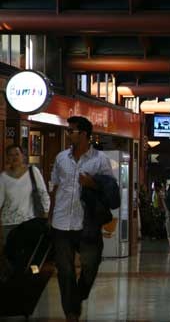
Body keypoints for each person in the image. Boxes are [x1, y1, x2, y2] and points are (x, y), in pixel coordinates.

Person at [48, 116, 114, 322]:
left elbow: (111, 190)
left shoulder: (100, 160)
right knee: (65, 270)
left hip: (88, 222)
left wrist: (92, 184)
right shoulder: (61, 158)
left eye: (72, 131)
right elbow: (55, 186)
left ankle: (78, 296)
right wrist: (49, 215)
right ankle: (71, 313)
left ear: (84, 134)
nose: (68, 134)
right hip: (61, 222)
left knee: (90, 266)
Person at [0, 144, 50, 244]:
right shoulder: (3, 177)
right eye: (10, 155)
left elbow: (43, 194)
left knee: (28, 256)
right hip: (9, 223)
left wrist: (45, 213)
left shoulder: (33, 171)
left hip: (30, 222)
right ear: (7, 158)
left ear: (23, 156)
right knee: (11, 256)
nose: (14, 157)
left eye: (17, 154)